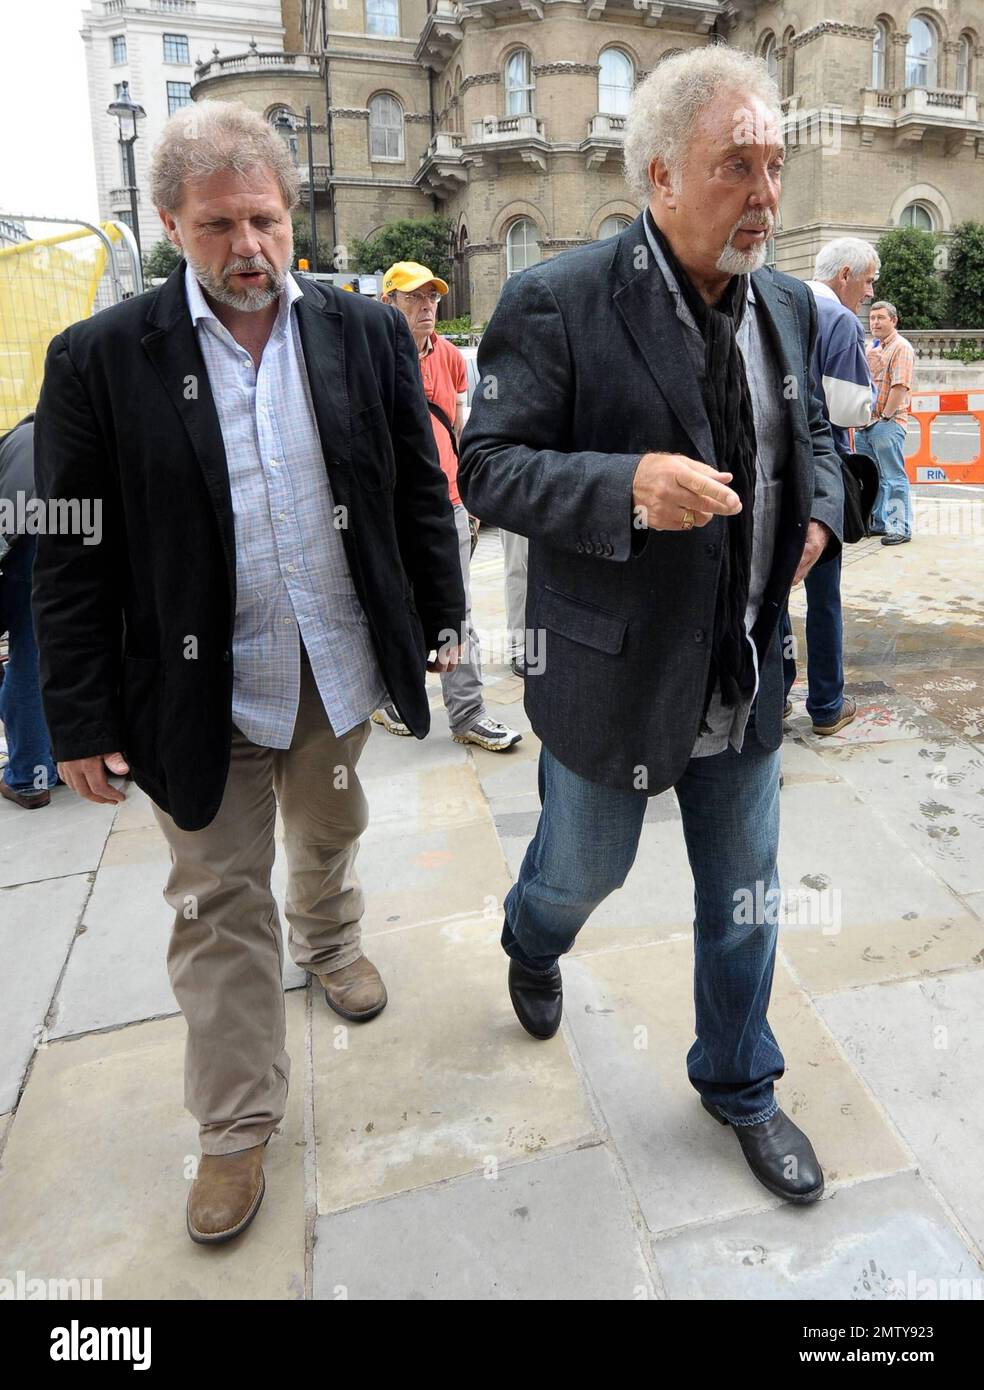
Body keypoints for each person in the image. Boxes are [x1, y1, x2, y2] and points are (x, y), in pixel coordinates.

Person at [32, 100, 465, 1246]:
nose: (247, 248)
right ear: (171, 221)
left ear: (292, 215)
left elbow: (416, 490)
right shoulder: (98, 360)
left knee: (328, 828)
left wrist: (443, 614)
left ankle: (329, 935)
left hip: (334, 666)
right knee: (217, 900)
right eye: (217, 223)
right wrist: (74, 713)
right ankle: (233, 1127)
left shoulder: (364, 334)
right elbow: (68, 546)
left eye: (265, 219)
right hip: (195, 692)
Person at [459, 46, 844, 1206]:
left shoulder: (784, 303)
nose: (767, 196)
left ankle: (740, 1082)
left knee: (747, 896)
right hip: (613, 676)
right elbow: (489, 466)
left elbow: (819, 439)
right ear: (660, 176)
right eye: (739, 166)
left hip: (743, 673)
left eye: (775, 166)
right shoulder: (557, 301)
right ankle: (531, 939)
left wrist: (820, 512)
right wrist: (623, 484)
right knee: (585, 871)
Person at [376, 262, 520, 753]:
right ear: (388, 303)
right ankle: (389, 694)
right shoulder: (369, 359)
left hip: (446, 505)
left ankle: (469, 713)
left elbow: (459, 428)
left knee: (456, 610)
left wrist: (470, 492)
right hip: (385, 512)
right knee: (390, 605)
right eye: (414, 298)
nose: (427, 308)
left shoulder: (452, 359)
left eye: (433, 298)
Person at [780, 238, 879, 735]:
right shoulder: (839, 319)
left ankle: (774, 695)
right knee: (823, 593)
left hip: (775, 468)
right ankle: (825, 704)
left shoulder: (781, 303)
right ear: (845, 274)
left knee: (771, 585)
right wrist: (872, 399)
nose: (868, 293)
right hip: (823, 469)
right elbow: (847, 409)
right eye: (867, 281)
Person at [0, 415, 59, 809]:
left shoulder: (17, 440)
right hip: (90, 530)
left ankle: (28, 775)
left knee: (28, 653)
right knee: (76, 649)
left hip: (34, 536)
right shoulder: (79, 425)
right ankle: (84, 756)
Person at [853, 300, 915, 546]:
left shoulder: (901, 347)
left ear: (894, 320)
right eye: (873, 318)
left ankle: (900, 527)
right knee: (873, 477)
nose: (875, 322)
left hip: (886, 423)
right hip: (866, 424)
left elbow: (900, 386)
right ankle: (879, 523)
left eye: (881, 318)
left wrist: (886, 417)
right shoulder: (874, 346)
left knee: (893, 477)